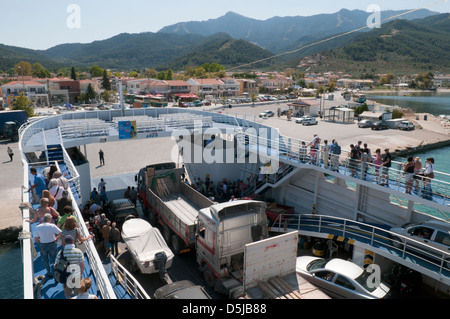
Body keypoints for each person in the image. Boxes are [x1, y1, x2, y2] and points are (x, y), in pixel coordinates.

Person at [34, 213, 62, 278]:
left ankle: (49, 272)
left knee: (45, 259)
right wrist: (56, 238)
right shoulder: (52, 226)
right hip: (52, 244)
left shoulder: (38, 227)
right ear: (49, 219)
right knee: (54, 258)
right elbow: (61, 233)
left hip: (43, 245)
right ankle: (56, 273)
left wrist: (41, 242)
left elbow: (36, 239)